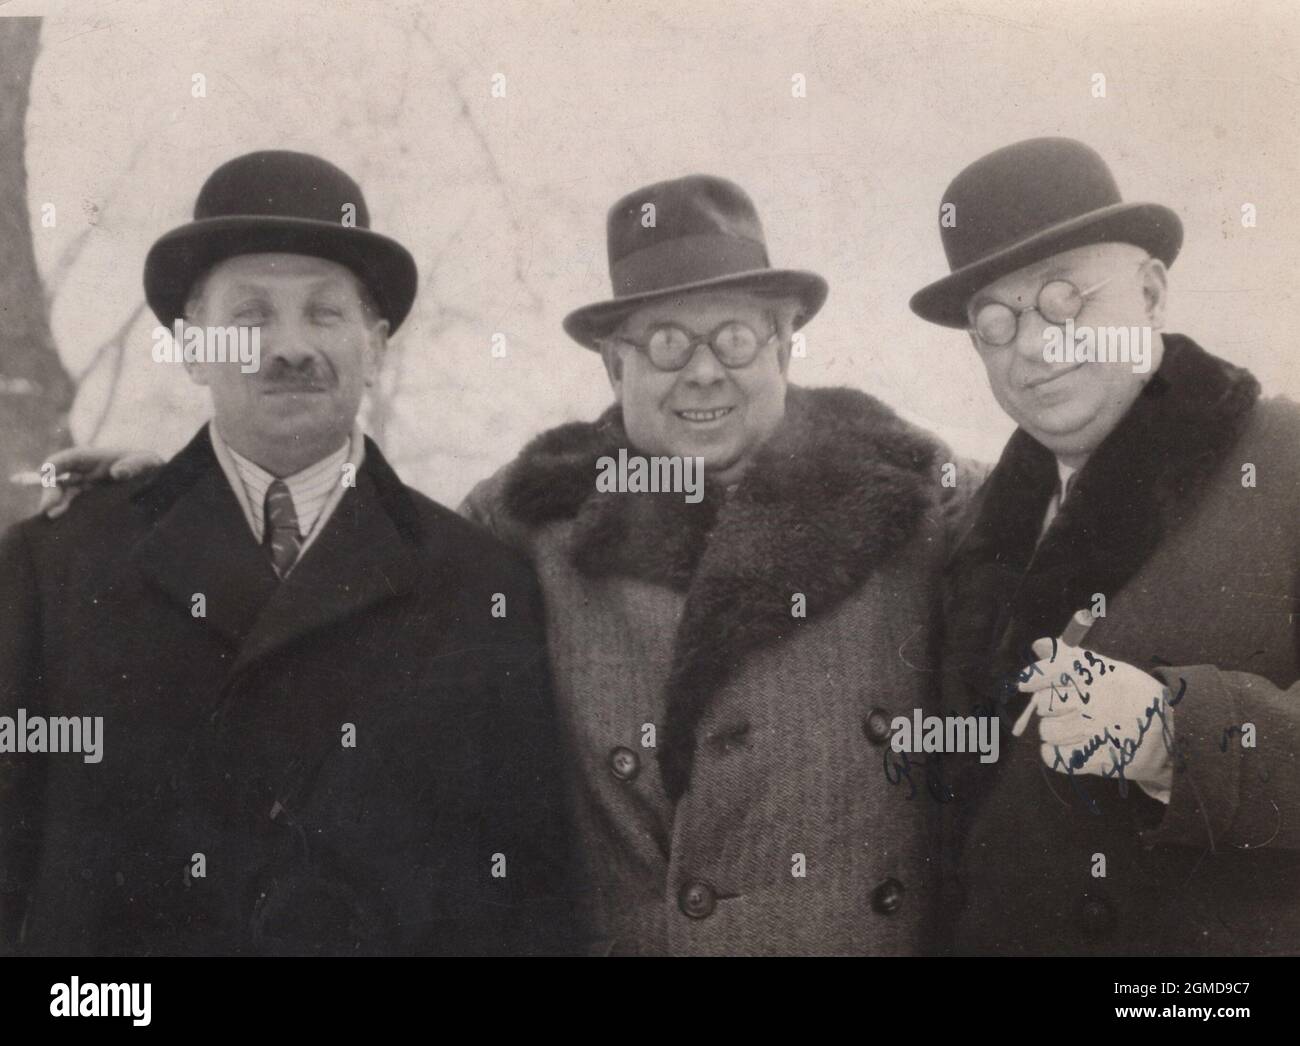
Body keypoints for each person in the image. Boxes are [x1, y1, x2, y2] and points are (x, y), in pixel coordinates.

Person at [0, 150, 569, 956]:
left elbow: (527, 909)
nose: (290, 347)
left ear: (375, 350)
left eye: (325, 314)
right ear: (193, 348)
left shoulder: (481, 588)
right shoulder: (56, 569)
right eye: (251, 316)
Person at [462, 174, 974, 954]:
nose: (703, 371)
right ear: (614, 365)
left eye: (734, 337)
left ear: (782, 346)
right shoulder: (527, 531)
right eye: (667, 341)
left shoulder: (920, 504)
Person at [910, 137, 1300, 955]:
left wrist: (1176, 736)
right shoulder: (974, 526)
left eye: (1063, 299)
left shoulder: (1287, 461)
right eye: (994, 321)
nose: (1031, 342)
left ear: (1151, 292)